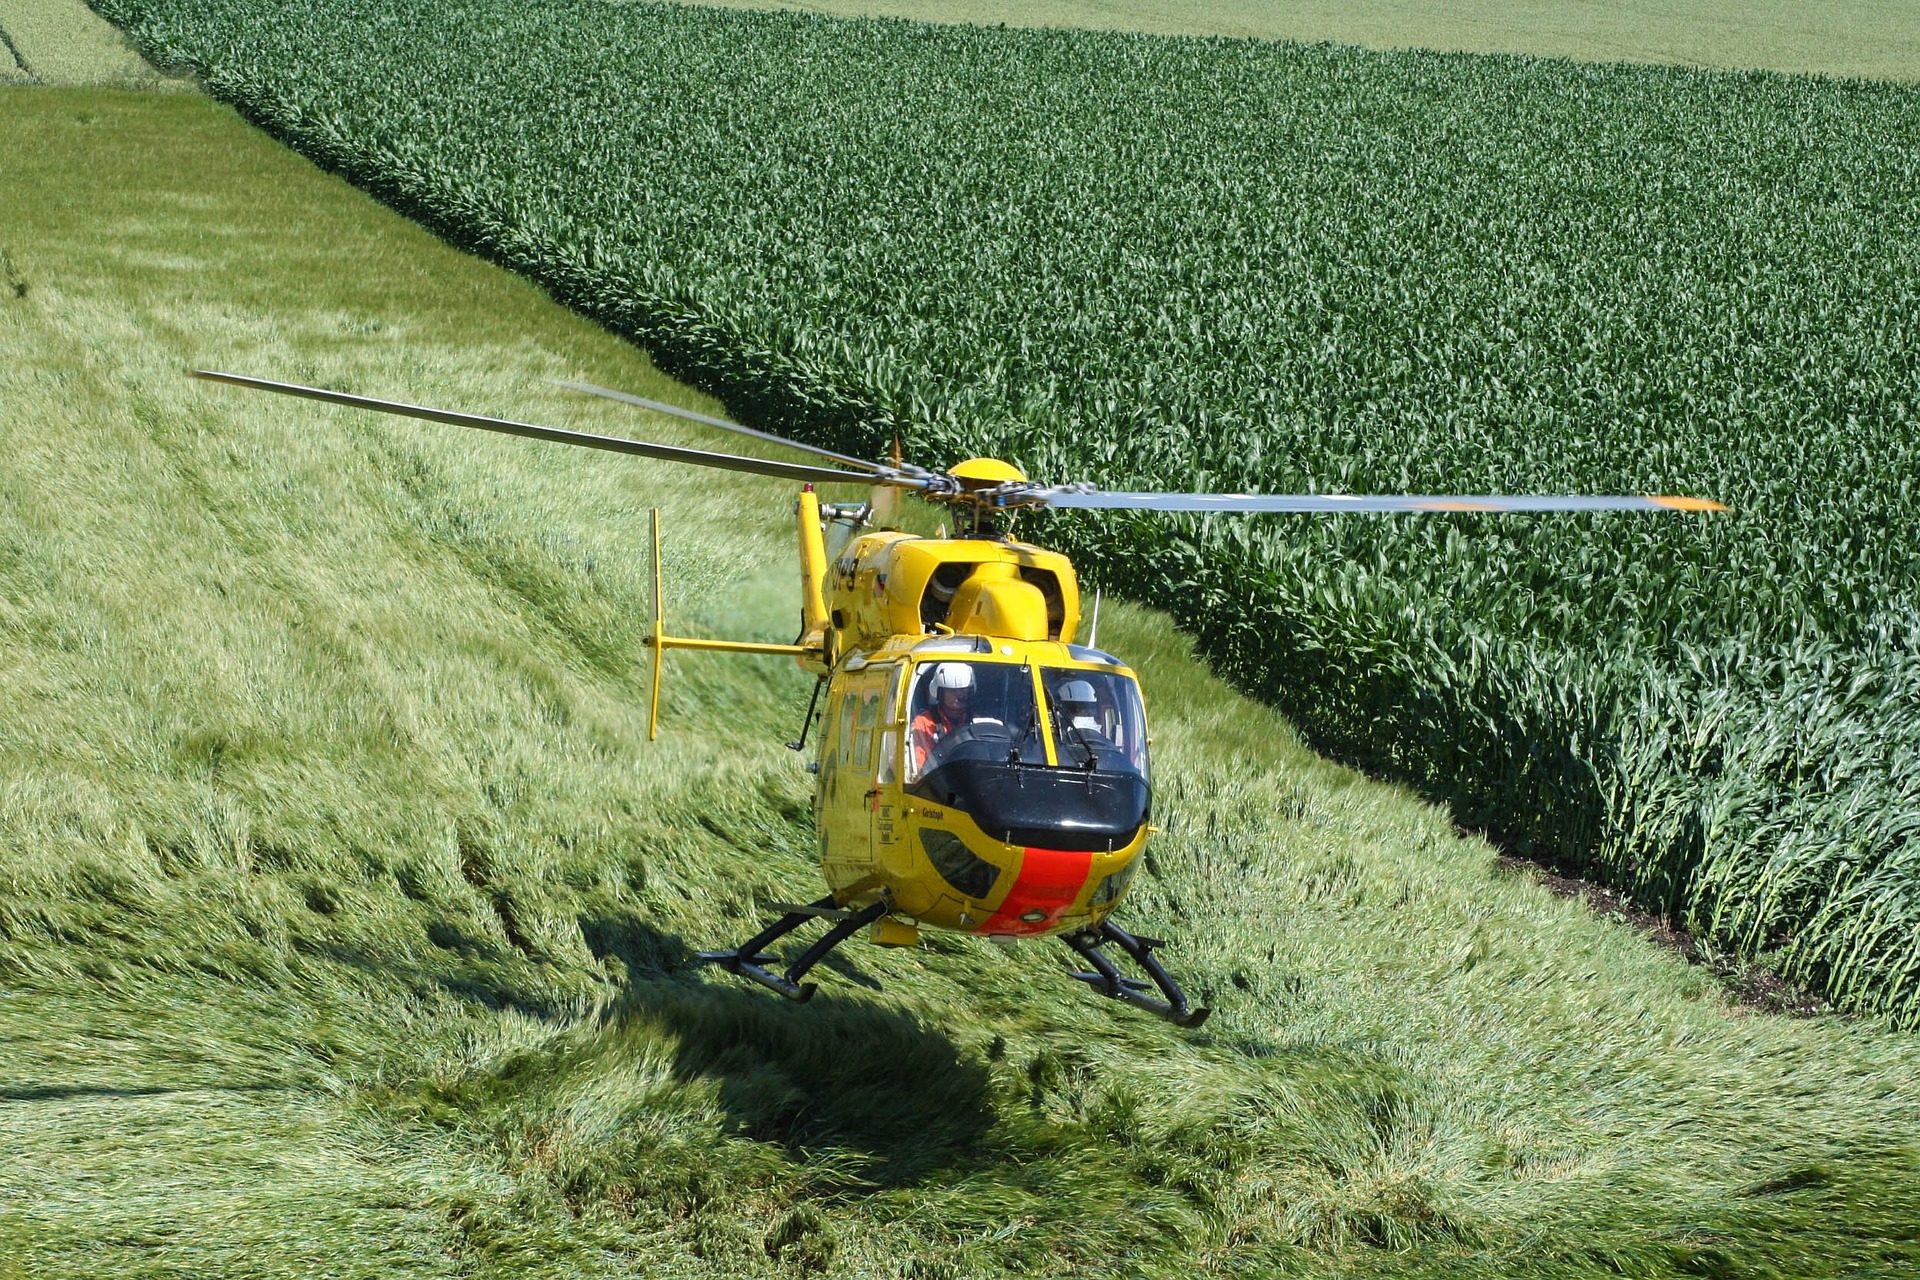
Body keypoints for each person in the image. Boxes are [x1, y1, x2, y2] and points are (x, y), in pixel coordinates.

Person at [910, 663, 975, 771]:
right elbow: (919, 768)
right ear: (939, 692)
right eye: (952, 690)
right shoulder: (922, 724)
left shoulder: (977, 723)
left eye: (964, 689)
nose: (960, 695)